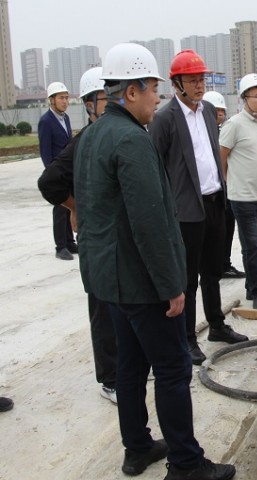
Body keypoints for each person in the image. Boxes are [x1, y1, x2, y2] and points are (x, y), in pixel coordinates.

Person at [73, 43, 236, 480]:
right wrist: (171, 286)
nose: (157, 97)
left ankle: (138, 447)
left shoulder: (92, 135)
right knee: (172, 368)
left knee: (130, 366)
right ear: (131, 91)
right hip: (141, 282)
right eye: (152, 89)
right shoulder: (132, 140)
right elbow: (151, 222)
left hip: (109, 281)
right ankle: (186, 464)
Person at [150, 50, 248, 366]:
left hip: (215, 202)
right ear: (177, 83)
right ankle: (187, 338)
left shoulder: (206, 111)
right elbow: (156, 167)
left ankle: (216, 325)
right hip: (186, 211)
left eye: (202, 79)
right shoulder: (164, 119)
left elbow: (211, 155)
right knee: (188, 279)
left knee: (212, 271)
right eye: (192, 80)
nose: (199, 85)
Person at [37, 67, 117, 404]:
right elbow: (49, 181)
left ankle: (129, 366)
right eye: (105, 97)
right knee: (103, 306)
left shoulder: (122, 134)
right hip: (98, 238)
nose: (113, 102)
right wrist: (76, 207)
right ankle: (111, 379)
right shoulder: (85, 140)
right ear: (89, 104)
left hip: (119, 237)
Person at [219, 74, 257, 310]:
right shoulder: (233, 125)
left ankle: (253, 286)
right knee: (251, 245)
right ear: (244, 98)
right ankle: (256, 291)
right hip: (242, 197)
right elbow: (221, 157)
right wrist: (229, 183)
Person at [202, 91, 245, 280]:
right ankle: (210, 268)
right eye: (216, 110)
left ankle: (224, 265)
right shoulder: (201, 134)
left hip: (226, 189)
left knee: (227, 229)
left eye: (222, 110)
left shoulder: (223, 131)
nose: (220, 114)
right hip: (209, 192)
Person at [38, 81, 76, 260]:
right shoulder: (46, 121)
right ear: (51, 100)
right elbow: (45, 151)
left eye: (66, 98)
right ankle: (60, 247)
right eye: (61, 98)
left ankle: (70, 242)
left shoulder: (65, 118)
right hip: (57, 173)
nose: (65, 101)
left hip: (67, 171)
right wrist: (52, 175)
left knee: (69, 208)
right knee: (60, 210)